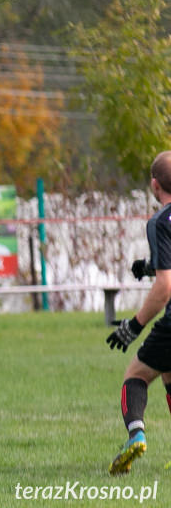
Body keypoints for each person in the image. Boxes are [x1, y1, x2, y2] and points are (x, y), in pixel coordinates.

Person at [106, 150, 171, 475]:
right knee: (170, 372)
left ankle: (136, 436)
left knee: (137, 375)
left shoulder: (160, 221)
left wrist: (133, 325)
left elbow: (165, 288)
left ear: (154, 184)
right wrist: (148, 266)